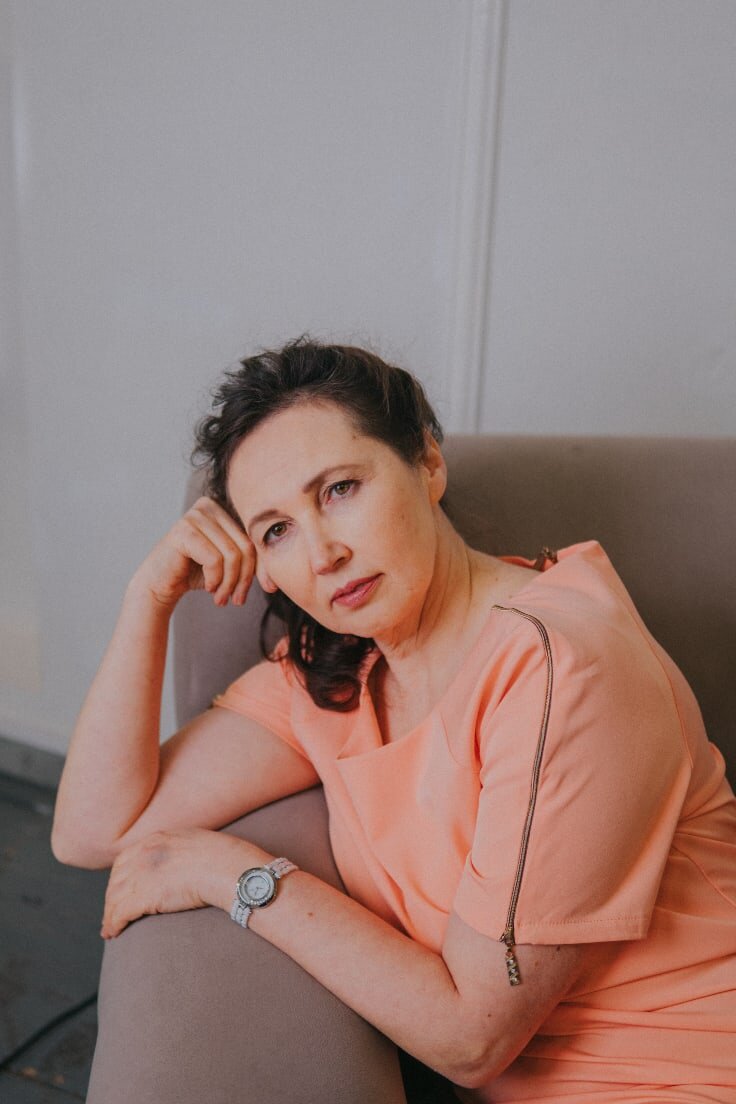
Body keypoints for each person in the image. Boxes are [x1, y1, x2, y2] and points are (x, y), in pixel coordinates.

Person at [52, 336, 736, 1102]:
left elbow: (473, 1039)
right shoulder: (338, 674)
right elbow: (92, 832)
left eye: (339, 489)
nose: (323, 554)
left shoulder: (562, 669)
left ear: (428, 464)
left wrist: (235, 876)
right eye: (276, 530)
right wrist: (147, 599)